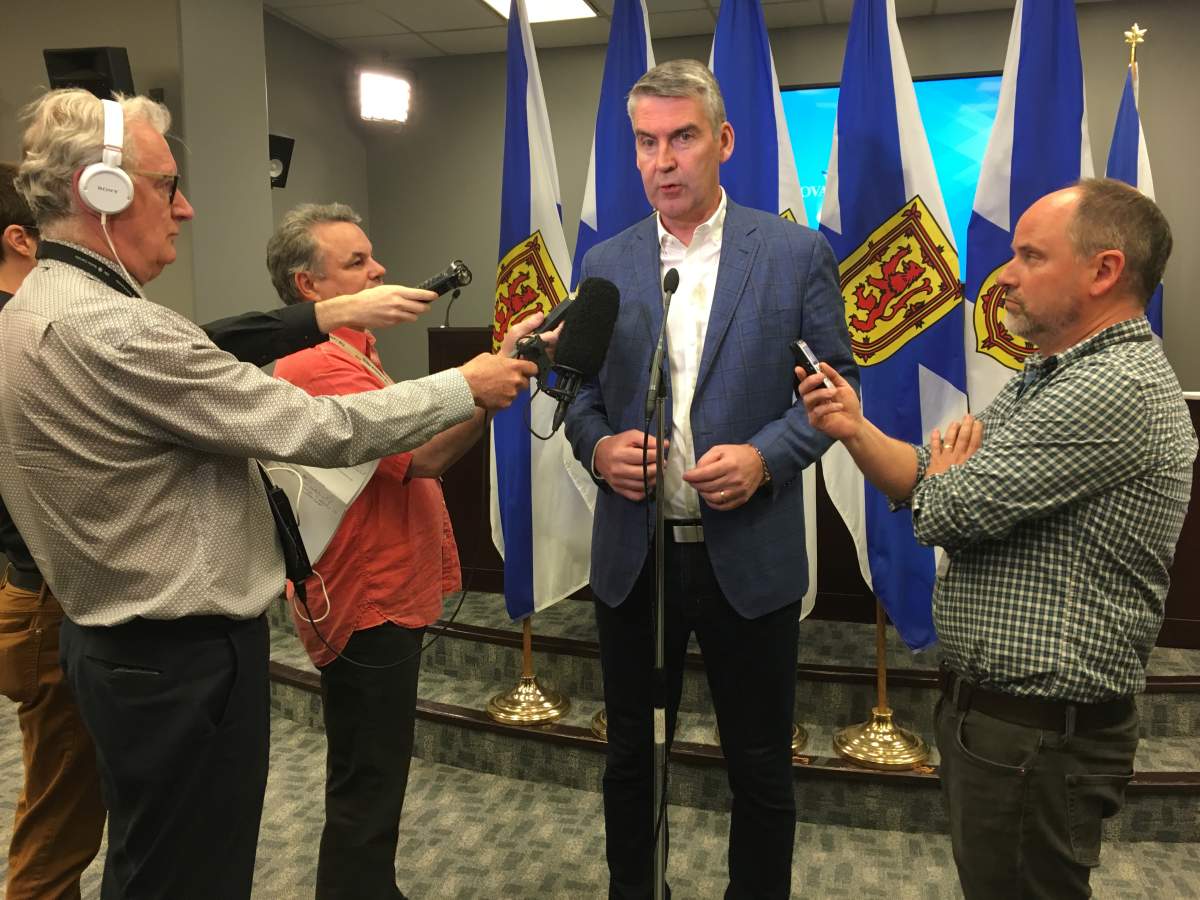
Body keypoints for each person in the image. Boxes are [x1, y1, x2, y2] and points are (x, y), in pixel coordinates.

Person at [0, 89, 536, 900]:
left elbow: (211, 351)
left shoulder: (37, 305)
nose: (185, 207)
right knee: (190, 875)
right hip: (180, 658)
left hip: (120, 646)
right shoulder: (116, 329)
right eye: (165, 185)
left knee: (157, 864)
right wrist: (467, 382)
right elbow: (319, 429)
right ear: (100, 191)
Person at [799, 179, 1197, 899]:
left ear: (1104, 271)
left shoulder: (1114, 387)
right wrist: (854, 426)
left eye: (1029, 256)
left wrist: (947, 482)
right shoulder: (1048, 372)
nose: (1004, 275)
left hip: (1039, 739)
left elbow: (946, 509)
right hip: (1001, 726)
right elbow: (930, 474)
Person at [563, 60, 856, 898]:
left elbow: (836, 391)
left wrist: (767, 456)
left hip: (748, 556)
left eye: (682, 137)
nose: (664, 160)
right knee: (630, 758)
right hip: (636, 557)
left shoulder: (795, 254)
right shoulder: (609, 259)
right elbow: (576, 388)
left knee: (759, 766)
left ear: (722, 141)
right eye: (647, 142)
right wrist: (597, 447)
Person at [266, 203, 553, 900]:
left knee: (376, 769)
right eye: (357, 262)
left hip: (385, 592)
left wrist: (491, 388)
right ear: (310, 288)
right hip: (366, 600)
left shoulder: (354, 353)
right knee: (369, 776)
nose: (380, 269)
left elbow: (418, 456)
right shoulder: (319, 365)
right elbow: (421, 458)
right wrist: (481, 389)